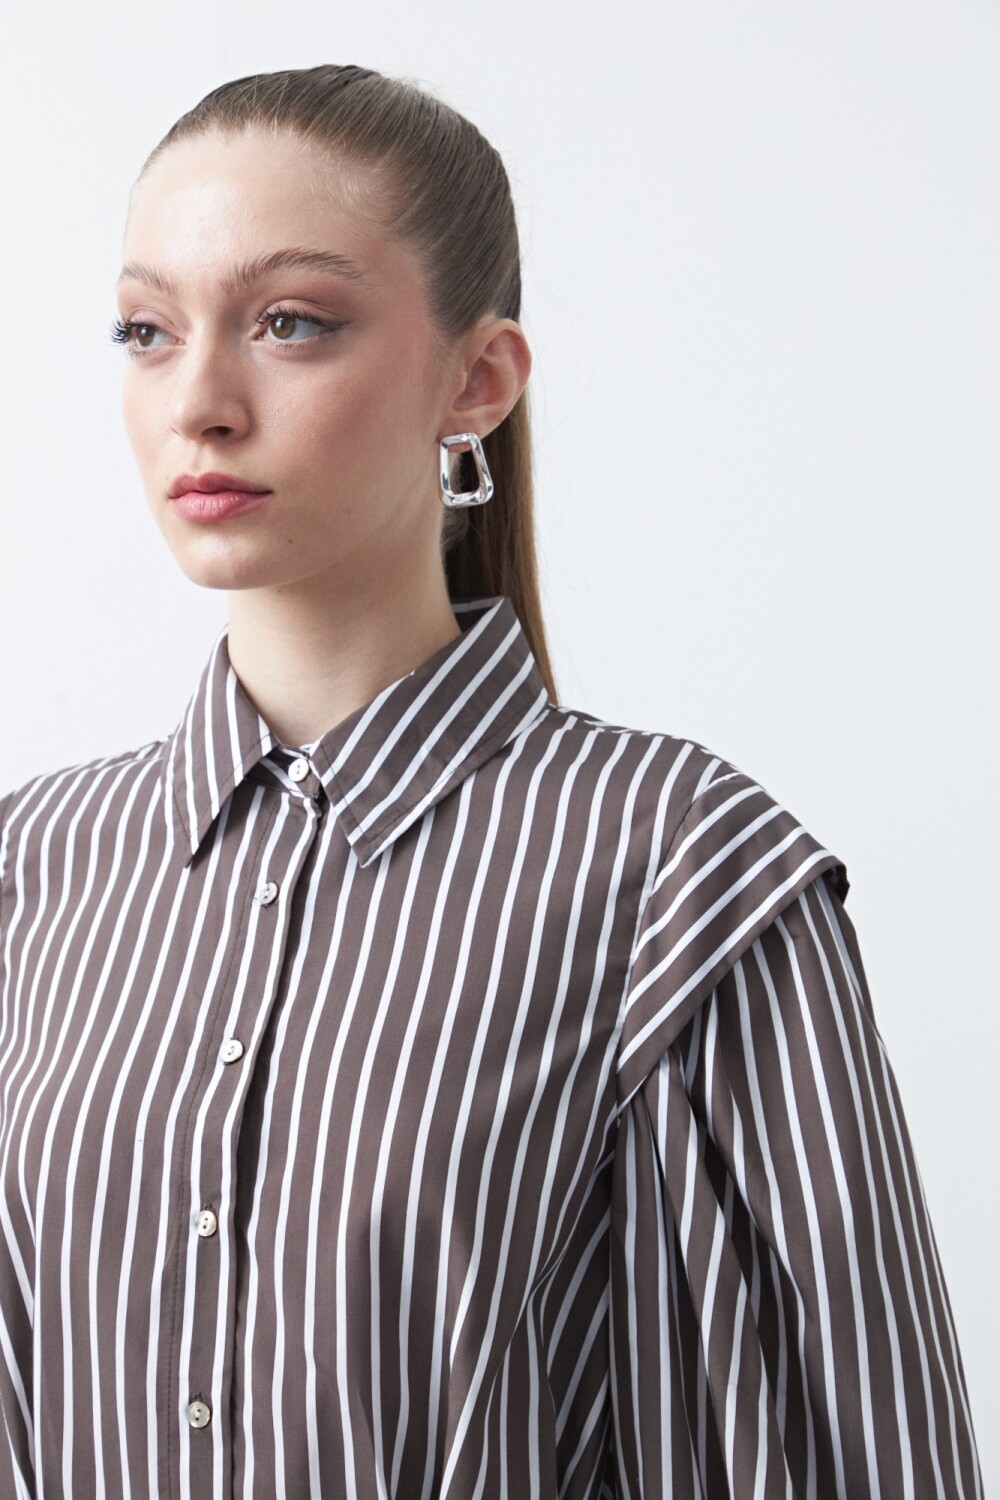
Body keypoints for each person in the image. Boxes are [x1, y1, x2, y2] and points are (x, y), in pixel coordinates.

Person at [0, 62, 983, 1500]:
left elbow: (852, 1453)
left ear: (480, 379)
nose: (198, 401)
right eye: (147, 331)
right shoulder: (33, 872)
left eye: (290, 322)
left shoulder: (680, 875)